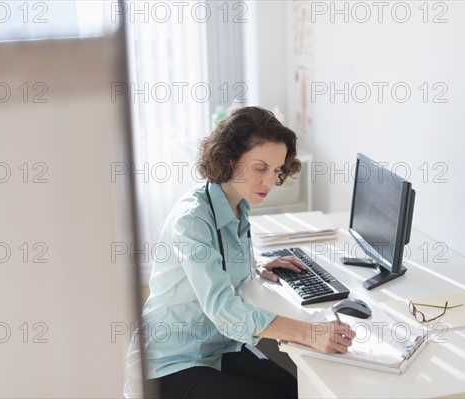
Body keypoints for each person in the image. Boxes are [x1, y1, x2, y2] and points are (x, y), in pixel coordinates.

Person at [139, 106, 355, 398]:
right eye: (260, 168)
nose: (269, 182)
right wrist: (309, 333)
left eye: (276, 170)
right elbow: (223, 309)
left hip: (217, 348)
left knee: (298, 391)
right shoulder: (192, 220)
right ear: (229, 159)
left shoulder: (237, 205)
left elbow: (218, 261)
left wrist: (255, 264)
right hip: (169, 364)